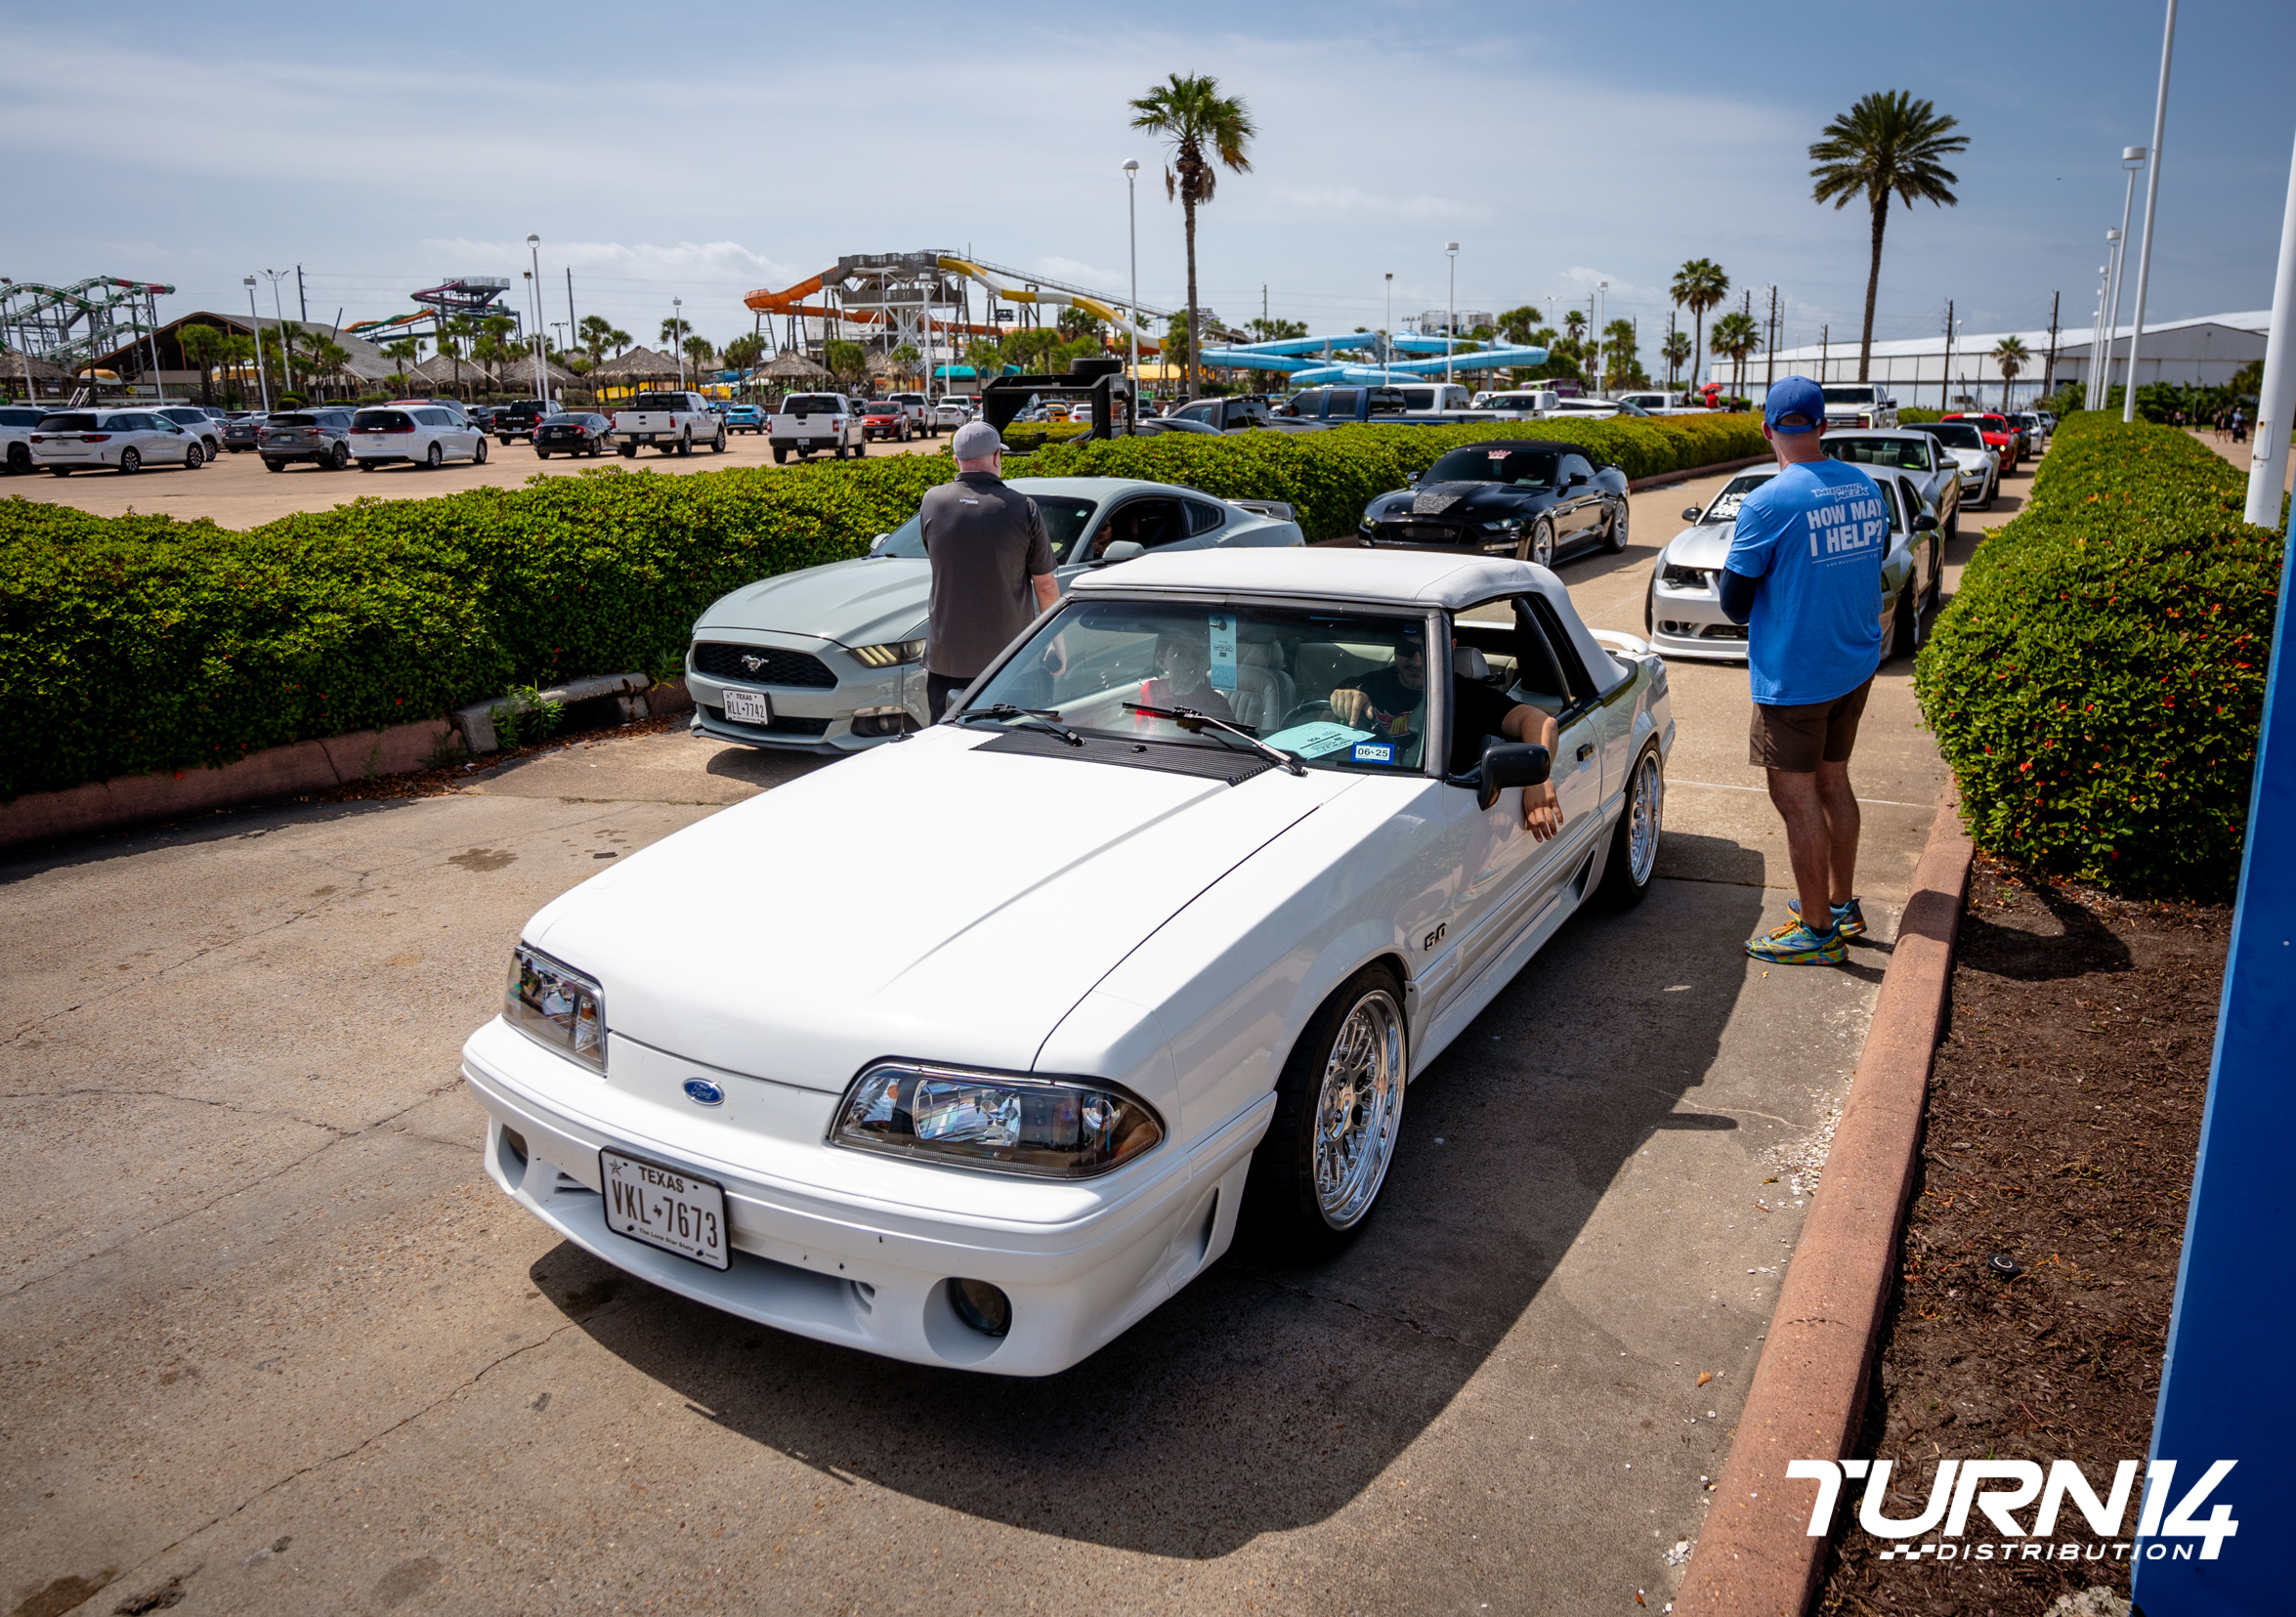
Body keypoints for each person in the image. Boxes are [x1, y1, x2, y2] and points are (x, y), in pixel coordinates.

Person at [1718, 375, 1888, 965]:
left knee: (1795, 798)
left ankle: (1817, 932)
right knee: (1833, 781)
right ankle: (1840, 905)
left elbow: (1734, 603)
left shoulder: (1768, 502)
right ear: (1823, 426)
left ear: (1767, 429)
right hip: (1854, 663)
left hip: (1795, 677)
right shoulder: (1867, 487)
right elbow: (1869, 563)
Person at [1329, 630, 1562, 838]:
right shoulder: (1363, 687)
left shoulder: (1467, 695)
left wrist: (1538, 780)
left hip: (1438, 814)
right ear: (1395, 647)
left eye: (1426, 649)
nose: (1416, 661)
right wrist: (1340, 705)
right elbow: (1320, 736)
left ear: (1449, 646)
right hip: (1358, 800)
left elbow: (1540, 721)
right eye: (1407, 649)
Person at [919, 420, 1058, 721]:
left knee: (946, 740)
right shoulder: (1023, 507)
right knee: (1008, 743)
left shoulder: (932, 501)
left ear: (955, 460)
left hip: (946, 661)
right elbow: (1046, 587)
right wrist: (1058, 647)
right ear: (997, 456)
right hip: (1010, 662)